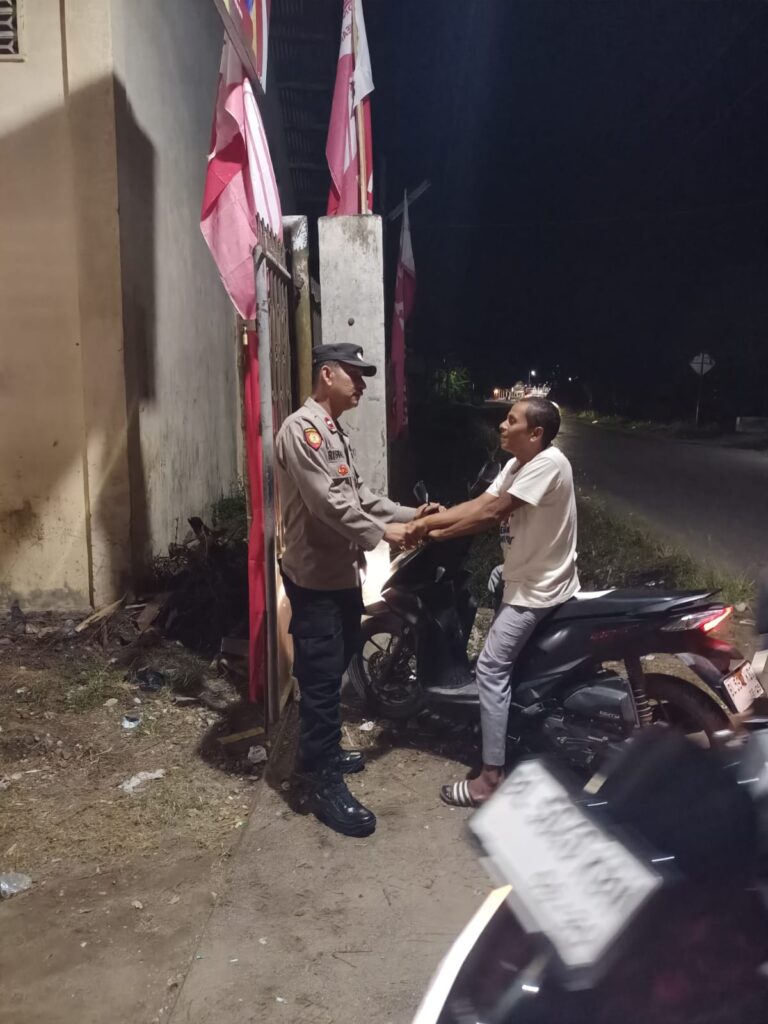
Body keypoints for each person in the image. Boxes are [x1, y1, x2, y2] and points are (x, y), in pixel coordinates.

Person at [275, 342, 427, 837]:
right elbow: (326, 504)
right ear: (327, 374)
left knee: (335, 666)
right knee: (321, 683)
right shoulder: (301, 430)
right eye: (354, 374)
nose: (361, 384)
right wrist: (385, 534)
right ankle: (319, 783)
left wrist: (413, 516)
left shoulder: (333, 431)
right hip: (315, 578)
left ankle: (318, 753)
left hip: (340, 574)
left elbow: (360, 496)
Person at [403, 398, 579, 806]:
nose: (502, 425)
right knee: (495, 577)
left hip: (537, 588)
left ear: (535, 433)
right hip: (525, 573)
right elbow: (482, 501)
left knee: (490, 667)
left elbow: (493, 513)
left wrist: (434, 534)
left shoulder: (548, 464)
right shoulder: (518, 463)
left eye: (511, 420)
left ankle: (490, 780)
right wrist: (426, 521)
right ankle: (503, 722)